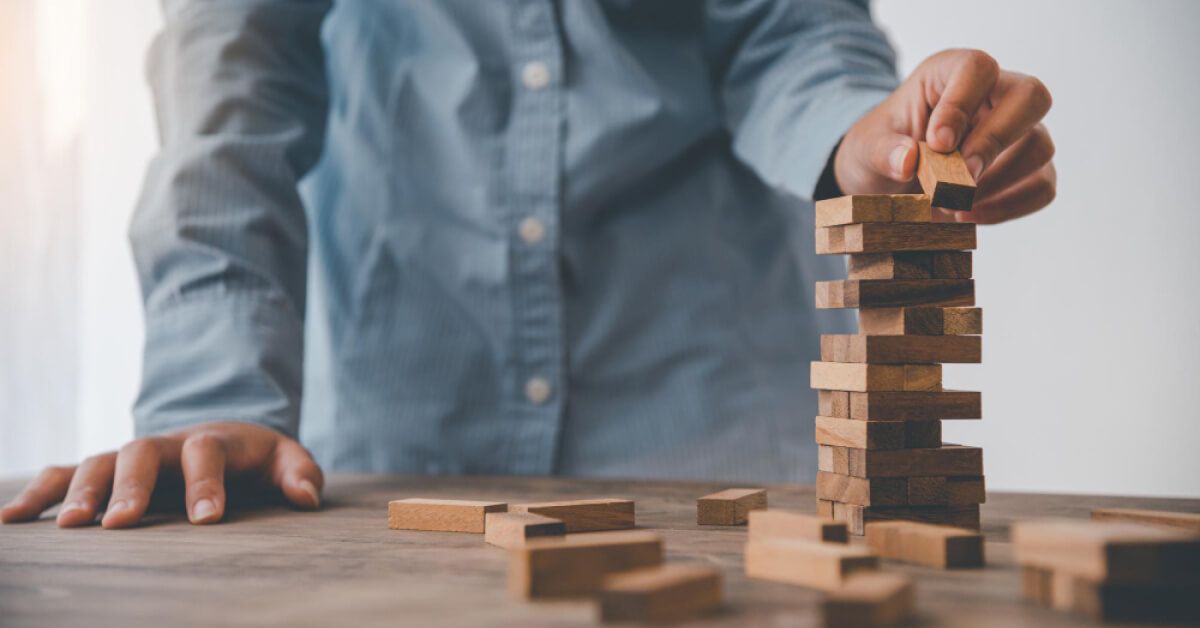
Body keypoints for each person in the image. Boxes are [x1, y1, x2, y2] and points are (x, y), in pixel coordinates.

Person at [1, 1, 1054, 530]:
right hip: (402, 406)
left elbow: (785, 26)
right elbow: (229, 90)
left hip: (699, 394)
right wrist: (211, 392)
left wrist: (856, 135)